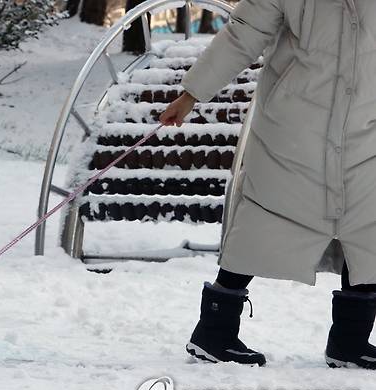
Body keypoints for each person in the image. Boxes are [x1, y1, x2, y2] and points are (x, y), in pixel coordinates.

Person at [159, 0, 376, 368]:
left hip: (365, 130)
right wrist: (192, 93)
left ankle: (350, 343)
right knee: (261, 223)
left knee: (368, 229)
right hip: (295, 127)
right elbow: (242, 34)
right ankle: (214, 332)